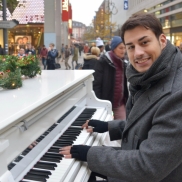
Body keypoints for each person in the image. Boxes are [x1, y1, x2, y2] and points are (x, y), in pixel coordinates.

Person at [60, 13, 182, 182]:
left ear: (162, 41)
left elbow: (149, 165)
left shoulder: (177, 94)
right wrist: (110, 126)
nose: (137, 53)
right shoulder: (150, 75)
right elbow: (147, 123)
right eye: (130, 46)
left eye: (144, 42)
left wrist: (89, 154)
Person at [93, 36, 128, 120]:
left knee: (122, 128)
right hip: (106, 103)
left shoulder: (125, 63)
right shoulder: (103, 62)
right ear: (114, 48)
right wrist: (99, 103)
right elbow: (96, 84)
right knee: (106, 129)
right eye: (120, 48)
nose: (123, 51)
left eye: (124, 48)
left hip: (120, 104)